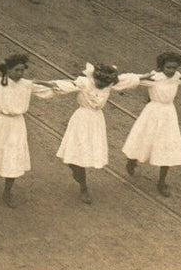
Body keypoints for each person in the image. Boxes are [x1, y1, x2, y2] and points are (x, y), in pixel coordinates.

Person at [0, 53, 56, 208]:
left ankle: (7, 192)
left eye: (22, 70)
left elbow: (48, 89)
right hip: (0, 122)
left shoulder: (27, 84)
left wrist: (48, 84)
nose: (20, 73)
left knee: (13, 156)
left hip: (17, 124)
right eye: (16, 70)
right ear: (8, 70)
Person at [49, 64, 140, 203]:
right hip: (81, 119)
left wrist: (145, 77)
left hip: (96, 122)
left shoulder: (109, 84)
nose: (102, 85)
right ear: (94, 77)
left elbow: (128, 80)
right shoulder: (84, 82)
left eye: (105, 84)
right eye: (99, 82)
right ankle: (78, 176)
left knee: (84, 154)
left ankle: (83, 186)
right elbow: (63, 86)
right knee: (75, 153)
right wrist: (41, 83)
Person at [121, 52, 181, 197]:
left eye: (174, 68)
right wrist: (142, 77)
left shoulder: (177, 77)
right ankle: (132, 160)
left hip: (169, 115)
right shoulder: (154, 78)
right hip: (152, 113)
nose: (171, 71)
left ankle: (161, 181)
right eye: (168, 67)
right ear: (161, 66)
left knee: (167, 146)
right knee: (143, 139)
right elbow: (132, 79)